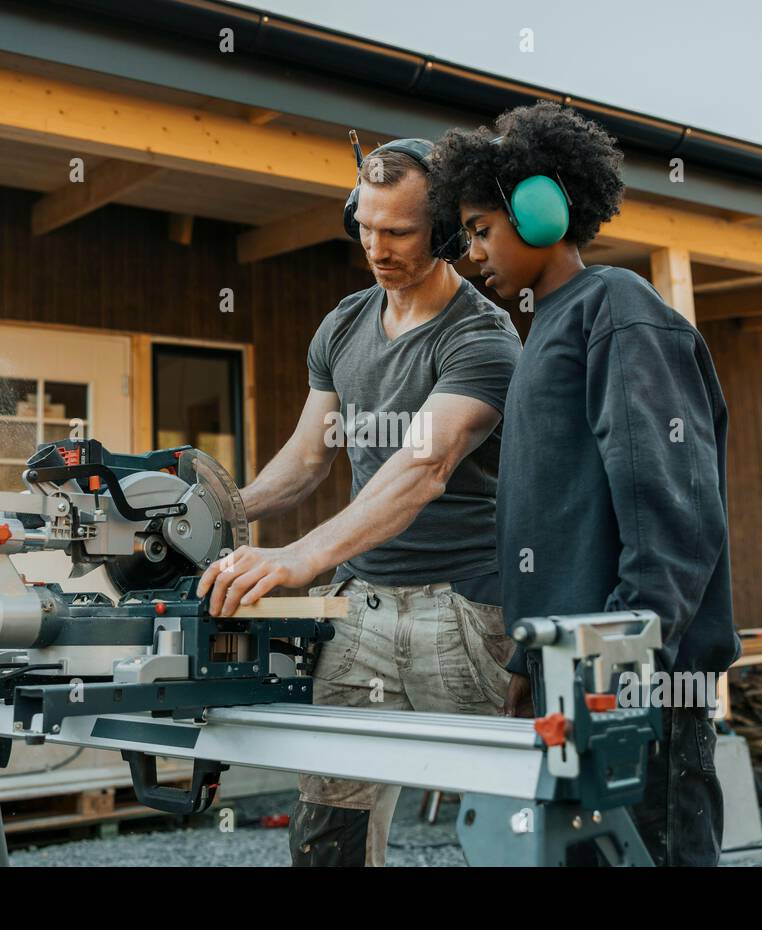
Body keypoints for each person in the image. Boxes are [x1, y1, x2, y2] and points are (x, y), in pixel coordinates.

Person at [427, 101, 742, 866]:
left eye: (479, 228)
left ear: (540, 211)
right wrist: (528, 666)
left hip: (636, 687)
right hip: (576, 676)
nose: (471, 253)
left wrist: (624, 664)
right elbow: (550, 522)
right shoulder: (547, 331)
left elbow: (673, 510)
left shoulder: (619, 310)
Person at [196, 137, 522, 866]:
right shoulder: (343, 324)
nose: (376, 247)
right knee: (330, 823)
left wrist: (301, 556)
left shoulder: (481, 337)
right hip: (363, 606)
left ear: (444, 232)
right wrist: (220, 511)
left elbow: (423, 466)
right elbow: (311, 457)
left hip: (465, 611)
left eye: (398, 231)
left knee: (507, 824)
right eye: (365, 226)